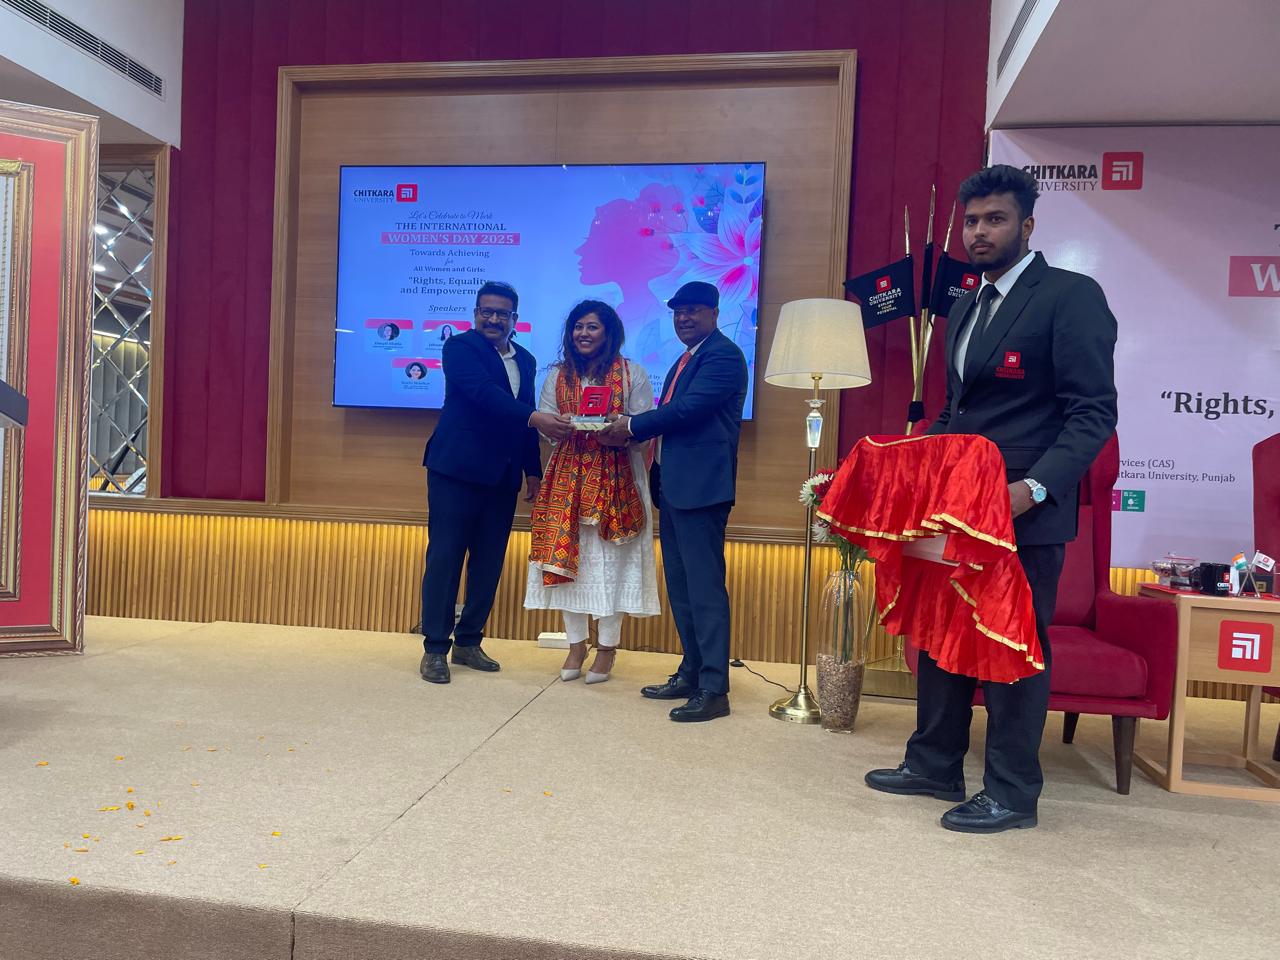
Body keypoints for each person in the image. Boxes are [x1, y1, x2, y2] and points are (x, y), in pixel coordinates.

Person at [864, 164, 1118, 833]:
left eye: (995, 219)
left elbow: (1092, 414)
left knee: (1013, 646)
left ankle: (1011, 792)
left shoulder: (1071, 296)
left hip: (1022, 512)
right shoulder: (965, 306)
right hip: (956, 508)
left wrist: (1032, 490)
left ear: (1026, 225)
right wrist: (908, 472)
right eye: (972, 221)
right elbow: (957, 414)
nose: (979, 232)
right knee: (943, 632)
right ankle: (933, 763)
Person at [598, 281, 748, 722]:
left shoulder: (722, 356)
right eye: (678, 312)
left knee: (705, 590)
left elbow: (688, 411)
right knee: (682, 589)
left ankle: (714, 689)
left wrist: (630, 425)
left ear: (715, 313)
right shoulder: (686, 359)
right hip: (676, 487)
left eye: (693, 310)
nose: (684, 318)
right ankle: (692, 672)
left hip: (702, 490)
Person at [419, 281, 574, 684]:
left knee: (488, 563)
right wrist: (536, 419)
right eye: (485, 311)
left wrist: (533, 470)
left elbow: (522, 416)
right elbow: (484, 394)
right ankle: (435, 648)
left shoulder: (526, 359)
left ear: (513, 319)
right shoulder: (459, 348)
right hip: (456, 471)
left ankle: (469, 641)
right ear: (475, 314)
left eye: (501, 313)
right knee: (445, 559)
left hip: (502, 475)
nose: (492, 319)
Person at [525, 301, 660, 684]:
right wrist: (560, 425)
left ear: (609, 333)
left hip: (619, 480)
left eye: (592, 327)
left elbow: (644, 428)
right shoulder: (556, 376)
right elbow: (547, 430)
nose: (583, 334)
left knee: (613, 565)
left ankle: (607, 649)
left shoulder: (632, 374)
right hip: (566, 483)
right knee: (570, 564)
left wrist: (621, 428)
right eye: (578, 327)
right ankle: (576, 645)